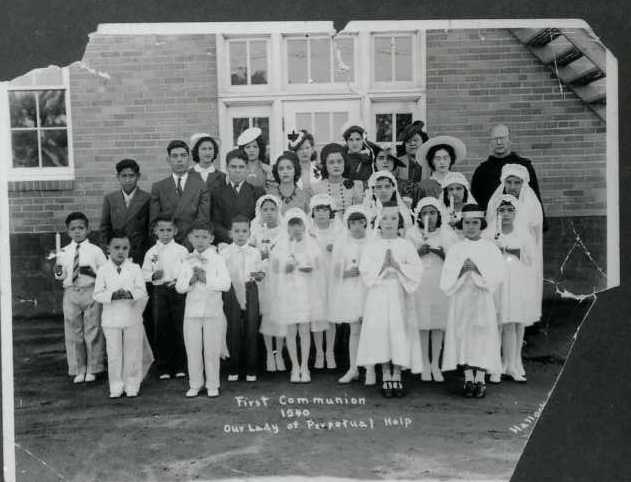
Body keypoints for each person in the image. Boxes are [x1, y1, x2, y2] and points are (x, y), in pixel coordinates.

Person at [356, 201, 424, 398]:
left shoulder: (406, 245)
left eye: (394, 218)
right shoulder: (372, 246)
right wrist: (383, 267)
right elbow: (365, 270)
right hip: (379, 293)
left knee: (398, 332)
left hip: (399, 292)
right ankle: (385, 371)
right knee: (382, 333)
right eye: (385, 218)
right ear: (379, 221)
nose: (389, 222)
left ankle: (397, 372)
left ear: (399, 222)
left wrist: (398, 266)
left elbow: (416, 270)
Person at [440, 204, 506, 399]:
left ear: (482, 224)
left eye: (475, 223)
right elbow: (447, 277)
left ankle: (481, 379)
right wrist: (461, 271)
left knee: (481, 338)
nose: (471, 227)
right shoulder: (456, 249)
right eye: (467, 223)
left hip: (481, 298)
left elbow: (498, 274)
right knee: (465, 337)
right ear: (462, 225)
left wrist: (478, 269)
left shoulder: (489, 248)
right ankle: (468, 378)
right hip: (462, 298)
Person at [268, 208, 327, 383]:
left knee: (304, 330)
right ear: (287, 227)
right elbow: (274, 268)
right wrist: (283, 269)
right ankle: (294, 366)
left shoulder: (312, 243)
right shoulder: (281, 245)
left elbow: (319, 265)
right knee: (291, 330)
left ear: (304, 225)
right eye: (292, 225)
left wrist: (311, 267)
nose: (296, 229)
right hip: (288, 292)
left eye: (299, 225)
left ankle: (305, 367)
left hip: (307, 292)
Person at [93, 231, 153, 398]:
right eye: (116, 247)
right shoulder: (103, 270)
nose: (121, 252)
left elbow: (142, 291)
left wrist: (129, 294)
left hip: (132, 317)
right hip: (111, 320)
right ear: (108, 249)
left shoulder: (134, 268)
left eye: (125, 248)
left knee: (132, 353)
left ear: (129, 250)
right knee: (114, 354)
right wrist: (112, 295)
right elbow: (97, 294)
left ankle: (132, 384)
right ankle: (116, 386)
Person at [175, 221, 231, 397]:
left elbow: (226, 285)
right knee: (192, 348)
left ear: (211, 239)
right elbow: (179, 287)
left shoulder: (218, 259)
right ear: (190, 238)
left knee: (212, 349)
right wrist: (191, 280)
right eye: (196, 237)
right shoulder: (187, 260)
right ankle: (195, 383)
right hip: (192, 312)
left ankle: (213, 384)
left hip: (212, 311)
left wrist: (206, 278)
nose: (200, 241)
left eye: (204, 237)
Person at [486, 195, 537, 383]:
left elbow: (530, 259)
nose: (505, 214)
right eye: (502, 210)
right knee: (496, 324)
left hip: (515, 282)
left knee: (512, 323)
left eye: (509, 210)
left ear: (515, 213)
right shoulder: (489, 234)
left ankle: (511, 365)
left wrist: (512, 251)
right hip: (497, 282)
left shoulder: (523, 235)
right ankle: (494, 366)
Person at [486, 163, 544, 324]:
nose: (512, 186)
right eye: (509, 182)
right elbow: (492, 227)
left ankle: (522, 324)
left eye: (517, 183)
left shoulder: (531, 204)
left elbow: (535, 233)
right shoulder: (497, 202)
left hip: (523, 253)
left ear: (523, 183)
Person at [54, 212, 107, 384]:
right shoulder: (63, 251)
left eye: (81, 228)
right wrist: (58, 271)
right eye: (73, 229)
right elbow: (61, 276)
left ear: (88, 229)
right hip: (71, 293)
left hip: (90, 291)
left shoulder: (95, 250)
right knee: (73, 331)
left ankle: (94, 367)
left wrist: (92, 272)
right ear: (68, 232)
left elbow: (105, 273)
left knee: (92, 330)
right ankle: (78, 368)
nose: (77, 232)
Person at [328, 205, 374, 385]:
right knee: (354, 329)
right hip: (351, 290)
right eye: (353, 223)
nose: (356, 226)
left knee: (368, 329)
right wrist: (346, 273)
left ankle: (370, 368)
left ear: (365, 223)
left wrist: (364, 271)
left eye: (360, 222)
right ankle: (353, 368)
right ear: (348, 225)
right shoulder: (343, 242)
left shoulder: (373, 241)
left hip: (369, 289)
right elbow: (335, 267)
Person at [470, 124, 547, 230]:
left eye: (502, 138)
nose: (499, 142)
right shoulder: (482, 171)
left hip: (523, 226)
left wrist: (540, 227)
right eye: (495, 139)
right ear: (490, 142)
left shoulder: (523, 166)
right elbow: (475, 202)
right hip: (491, 228)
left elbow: (535, 196)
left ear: (510, 140)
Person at [141, 215, 188, 380]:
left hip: (177, 291)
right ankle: (164, 366)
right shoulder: (152, 252)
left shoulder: (182, 251)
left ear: (175, 231)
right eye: (162, 230)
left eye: (169, 230)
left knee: (179, 326)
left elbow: (187, 271)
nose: (165, 233)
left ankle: (180, 365)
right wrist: (153, 275)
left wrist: (178, 280)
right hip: (159, 292)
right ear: (155, 231)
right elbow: (144, 273)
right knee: (161, 327)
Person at [407, 197, 449, 383]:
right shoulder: (412, 234)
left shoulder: (447, 234)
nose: (429, 217)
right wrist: (418, 252)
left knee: (438, 323)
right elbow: (405, 260)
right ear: (419, 216)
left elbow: (455, 258)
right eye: (425, 213)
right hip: (421, 283)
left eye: (432, 213)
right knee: (423, 324)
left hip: (439, 282)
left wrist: (442, 253)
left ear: (438, 215)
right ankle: (424, 362)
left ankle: (435, 364)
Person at [220, 215, 265, 382]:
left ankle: (251, 369)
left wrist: (260, 275)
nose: (240, 235)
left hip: (250, 289)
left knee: (251, 328)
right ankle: (234, 367)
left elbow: (260, 272)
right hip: (231, 291)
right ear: (230, 233)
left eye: (244, 231)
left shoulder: (255, 252)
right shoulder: (224, 253)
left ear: (249, 233)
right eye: (236, 231)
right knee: (233, 328)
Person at [249, 195, 287, 372]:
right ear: (260, 212)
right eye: (265, 210)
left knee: (279, 315)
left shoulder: (284, 231)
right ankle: (268, 353)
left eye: (272, 209)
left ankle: (278, 352)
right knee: (266, 315)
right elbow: (250, 253)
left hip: (279, 278)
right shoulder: (256, 232)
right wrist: (260, 257)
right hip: (263, 279)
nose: (269, 213)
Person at [149, 140, 210, 245]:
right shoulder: (158, 187)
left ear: (189, 159)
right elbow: (154, 224)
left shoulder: (201, 186)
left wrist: (188, 246)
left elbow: (202, 221)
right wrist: (169, 245)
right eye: (175, 156)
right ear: (168, 160)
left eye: (183, 155)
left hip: (192, 244)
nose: (179, 160)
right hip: (167, 244)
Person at [309, 193, 343, 370]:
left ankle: (329, 351)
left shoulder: (338, 231)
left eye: (325, 210)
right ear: (313, 212)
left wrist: (336, 249)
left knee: (330, 317)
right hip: (315, 279)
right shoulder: (309, 231)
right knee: (317, 317)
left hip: (332, 277)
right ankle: (319, 353)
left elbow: (346, 252)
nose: (321, 214)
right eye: (318, 210)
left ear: (330, 212)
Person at [99, 158, 151, 265]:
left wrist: (148, 253)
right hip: (117, 251)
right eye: (124, 176)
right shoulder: (110, 199)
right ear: (118, 177)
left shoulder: (147, 198)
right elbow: (104, 227)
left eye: (131, 176)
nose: (128, 180)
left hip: (140, 252)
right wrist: (107, 250)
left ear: (138, 176)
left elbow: (150, 228)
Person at [210, 149, 266, 245]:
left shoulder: (257, 192)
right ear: (227, 168)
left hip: (250, 243)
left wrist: (247, 237)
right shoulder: (217, 192)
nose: (237, 170)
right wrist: (230, 236)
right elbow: (215, 222)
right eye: (233, 167)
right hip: (225, 243)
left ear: (247, 168)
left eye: (241, 167)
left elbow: (260, 221)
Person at [311, 143, 364, 221]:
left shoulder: (356, 185)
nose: (336, 165)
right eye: (331, 162)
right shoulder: (316, 188)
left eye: (339, 162)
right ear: (325, 165)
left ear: (344, 163)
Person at [415, 135, 467, 203]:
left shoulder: (459, 179)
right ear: (432, 161)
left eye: (445, 158)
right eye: (438, 159)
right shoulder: (424, 186)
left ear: (451, 159)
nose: (442, 162)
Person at [439, 171, 476, 251]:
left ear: (465, 191)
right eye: (451, 189)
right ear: (446, 193)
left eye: (458, 188)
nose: (454, 193)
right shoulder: (440, 212)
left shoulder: (472, 211)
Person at [395, 120, 427, 198]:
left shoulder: (430, 163)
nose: (412, 143)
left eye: (415, 140)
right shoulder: (397, 163)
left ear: (423, 142)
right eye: (408, 141)